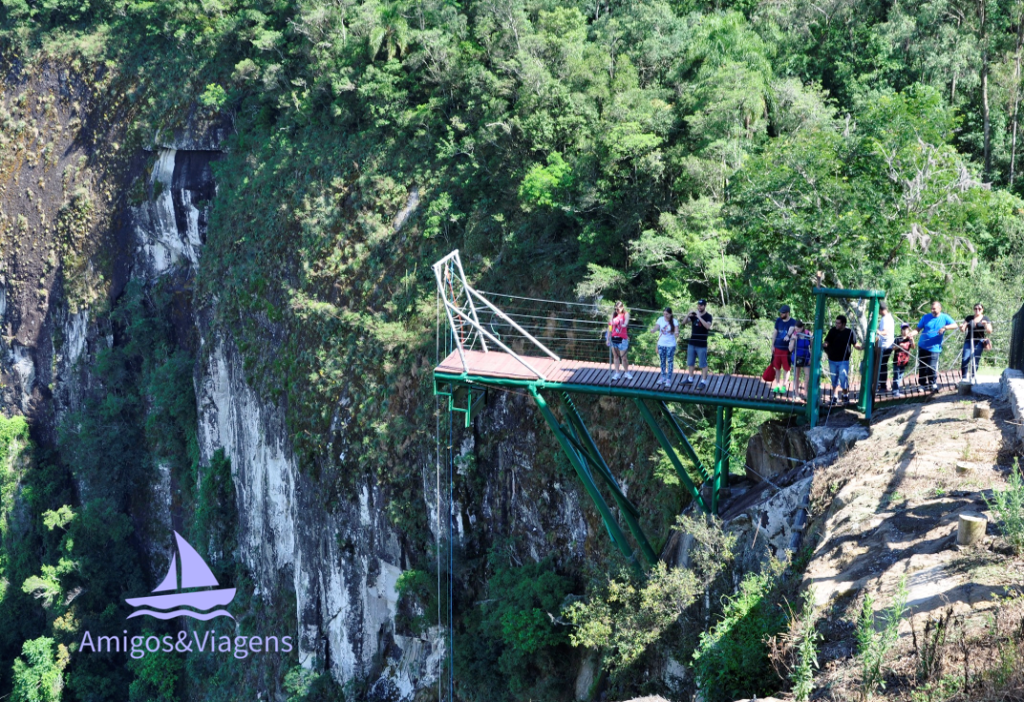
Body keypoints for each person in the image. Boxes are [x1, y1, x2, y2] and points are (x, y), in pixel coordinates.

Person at [915, 301, 957, 390]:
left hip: (935, 348)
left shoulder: (944, 317)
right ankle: (922, 384)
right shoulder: (925, 317)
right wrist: (911, 333)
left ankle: (932, 383)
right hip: (923, 345)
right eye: (931, 308)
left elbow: (955, 325)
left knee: (932, 366)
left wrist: (945, 327)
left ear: (939, 308)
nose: (932, 310)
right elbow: (918, 329)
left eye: (934, 308)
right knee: (922, 366)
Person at [823, 315, 862, 403]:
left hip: (843, 360)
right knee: (834, 379)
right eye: (836, 322)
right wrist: (822, 345)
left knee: (843, 378)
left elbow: (855, 344)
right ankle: (835, 396)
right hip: (832, 359)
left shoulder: (850, 332)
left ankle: (845, 395)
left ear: (843, 324)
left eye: (838, 323)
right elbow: (827, 342)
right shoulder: (832, 331)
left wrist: (863, 347)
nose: (836, 324)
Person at [959, 303, 993, 381]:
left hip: (979, 341)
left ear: (982, 310)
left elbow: (989, 331)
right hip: (968, 340)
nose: (977, 310)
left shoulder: (985, 318)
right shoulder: (969, 318)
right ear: (973, 309)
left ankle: (973, 377)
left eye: (979, 309)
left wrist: (985, 325)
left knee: (975, 360)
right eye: (975, 308)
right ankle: (964, 378)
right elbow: (963, 329)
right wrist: (961, 327)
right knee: (965, 359)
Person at [684, 299, 713, 387]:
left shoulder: (708, 316)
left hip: (702, 344)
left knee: (703, 364)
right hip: (692, 342)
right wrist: (688, 314)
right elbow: (683, 322)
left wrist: (699, 317)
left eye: (701, 305)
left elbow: (707, 326)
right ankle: (690, 379)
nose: (699, 307)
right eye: (698, 305)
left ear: (704, 306)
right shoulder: (693, 316)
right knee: (690, 362)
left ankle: (703, 381)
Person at [770, 304, 797, 394]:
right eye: (780, 313)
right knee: (777, 367)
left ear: (787, 313)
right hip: (777, 347)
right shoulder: (778, 320)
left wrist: (788, 335)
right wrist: (772, 345)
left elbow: (791, 329)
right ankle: (777, 385)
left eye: (782, 313)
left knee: (786, 368)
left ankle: (784, 386)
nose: (781, 314)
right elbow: (775, 332)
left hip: (786, 349)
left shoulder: (793, 321)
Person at [652, 308, 679, 386]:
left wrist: (676, 333)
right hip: (661, 344)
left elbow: (676, 330)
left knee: (670, 361)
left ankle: (668, 379)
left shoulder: (674, 321)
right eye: (664, 314)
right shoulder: (660, 319)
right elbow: (656, 327)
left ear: (670, 314)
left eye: (667, 314)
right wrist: (653, 330)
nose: (665, 316)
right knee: (662, 361)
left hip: (670, 344)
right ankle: (663, 377)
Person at [608, 301, 633, 381]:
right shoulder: (613, 315)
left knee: (624, 357)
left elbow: (626, 321)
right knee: (615, 356)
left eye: (619, 308)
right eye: (616, 309)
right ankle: (617, 373)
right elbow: (610, 326)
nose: (617, 310)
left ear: (622, 307)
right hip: (614, 337)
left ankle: (626, 372)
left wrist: (624, 324)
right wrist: (608, 337)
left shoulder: (625, 314)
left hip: (622, 338)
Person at [874, 301, 895, 393]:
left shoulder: (886, 319)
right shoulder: (886, 318)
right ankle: (880, 385)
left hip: (886, 345)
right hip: (884, 345)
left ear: (880, 309)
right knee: (881, 365)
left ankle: (883, 386)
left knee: (882, 365)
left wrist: (876, 331)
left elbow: (885, 332)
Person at [789, 320, 813, 397]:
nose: (796, 331)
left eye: (798, 329)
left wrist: (811, 358)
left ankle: (806, 392)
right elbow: (790, 349)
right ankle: (796, 393)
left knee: (808, 375)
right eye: (795, 329)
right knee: (796, 375)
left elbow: (812, 347)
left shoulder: (808, 334)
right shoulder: (794, 335)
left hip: (806, 357)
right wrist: (793, 340)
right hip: (796, 357)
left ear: (802, 327)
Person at [892, 323, 916, 398]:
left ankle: (896, 389)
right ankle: (895, 391)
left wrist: (912, 340)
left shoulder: (909, 339)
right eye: (903, 329)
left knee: (900, 376)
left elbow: (913, 347)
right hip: (897, 360)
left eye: (906, 329)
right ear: (901, 330)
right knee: (896, 376)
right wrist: (899, 346)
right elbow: (893, 348)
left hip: (905, 360)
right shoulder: (897, 339)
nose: (905, 331)